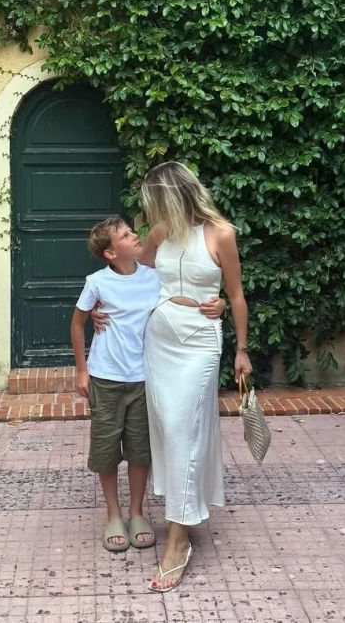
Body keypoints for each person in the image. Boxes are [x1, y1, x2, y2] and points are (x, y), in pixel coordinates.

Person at [92, 162, 252, 592]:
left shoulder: (221, 233)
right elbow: (132, 273)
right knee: (169, 430)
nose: (150, 212)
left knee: (183, 428)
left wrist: (241, 348)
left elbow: (236, 293)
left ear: (174, 195)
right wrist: (98, 307)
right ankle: (183, 511)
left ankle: (178, 541)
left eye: (155, 201)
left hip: (200, 341)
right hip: (159, 338)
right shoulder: (161, 232)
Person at [71, 216, 226, 554]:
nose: (135, 235)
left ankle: (137, 512)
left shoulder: (154, 277)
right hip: (106, 378)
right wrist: (82, 370)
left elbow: (187, 293)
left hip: (145, 376)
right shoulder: (96, 282)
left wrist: (221, 302)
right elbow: (77, 322)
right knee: (106, 449)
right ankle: (113, 514)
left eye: (131, 231)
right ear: (111, 253)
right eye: (126, 235)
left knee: (141, 450)